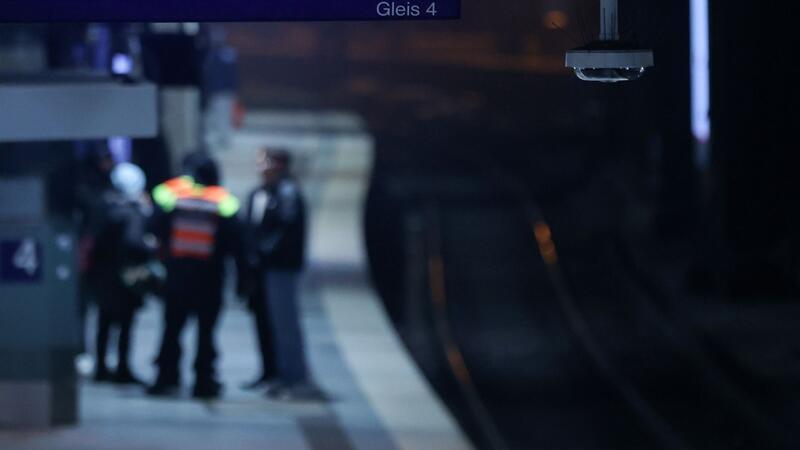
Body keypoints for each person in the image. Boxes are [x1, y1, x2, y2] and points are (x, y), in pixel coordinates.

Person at [146, 151, 244, 399]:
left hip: (177, 275)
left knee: (172, 329)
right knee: (206, 333)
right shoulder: (223, 201)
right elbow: (237, 240)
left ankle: (166, 377)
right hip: (210, 277)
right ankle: (204, 381)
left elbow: (153, 224)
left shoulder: (172, 194)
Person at [244, 148, 318, 400]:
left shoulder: (287, 194)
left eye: (265, 163)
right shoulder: (260, 194)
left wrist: (263, 252)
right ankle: (272, 373)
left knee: (285, 323)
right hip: (264, 269)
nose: (260, 168)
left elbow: (284, 230)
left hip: (280, 268)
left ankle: (293, 377)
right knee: (266, 322)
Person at [90, 162, 153, 384]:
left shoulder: (103, 206)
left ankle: (100, 367)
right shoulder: (132, 213)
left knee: (104, 322)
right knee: (126, 324)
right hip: (127, 276)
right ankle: (123, 368)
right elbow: (135, 243)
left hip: (103, 274)